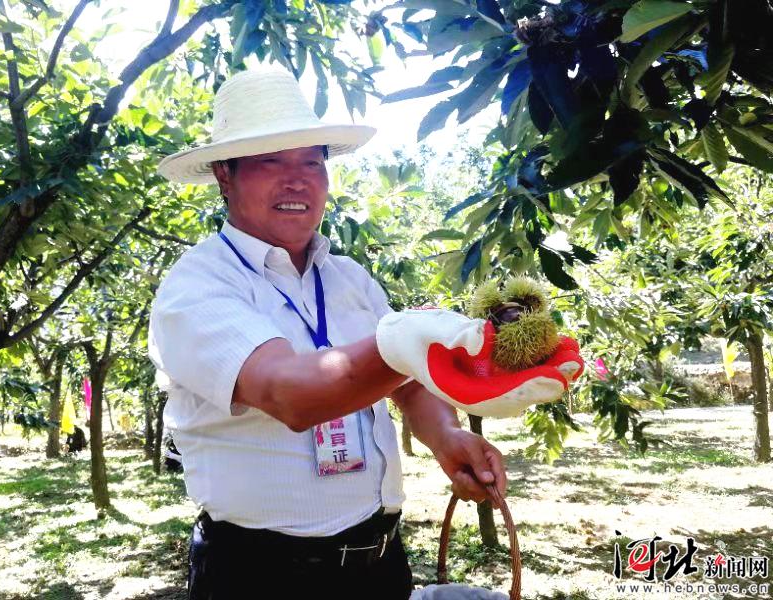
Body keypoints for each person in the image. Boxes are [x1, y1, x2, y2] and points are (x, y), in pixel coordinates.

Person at [149, 69, 580, 599]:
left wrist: (447, 436)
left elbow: (407, 384)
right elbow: (288, 393)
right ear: (224, 175)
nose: (297, 180)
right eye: (271, 162)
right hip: (260, 575)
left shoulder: (349, 278)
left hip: (378, 563)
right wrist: (408, 340)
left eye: (312, 162)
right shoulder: (197, 286)